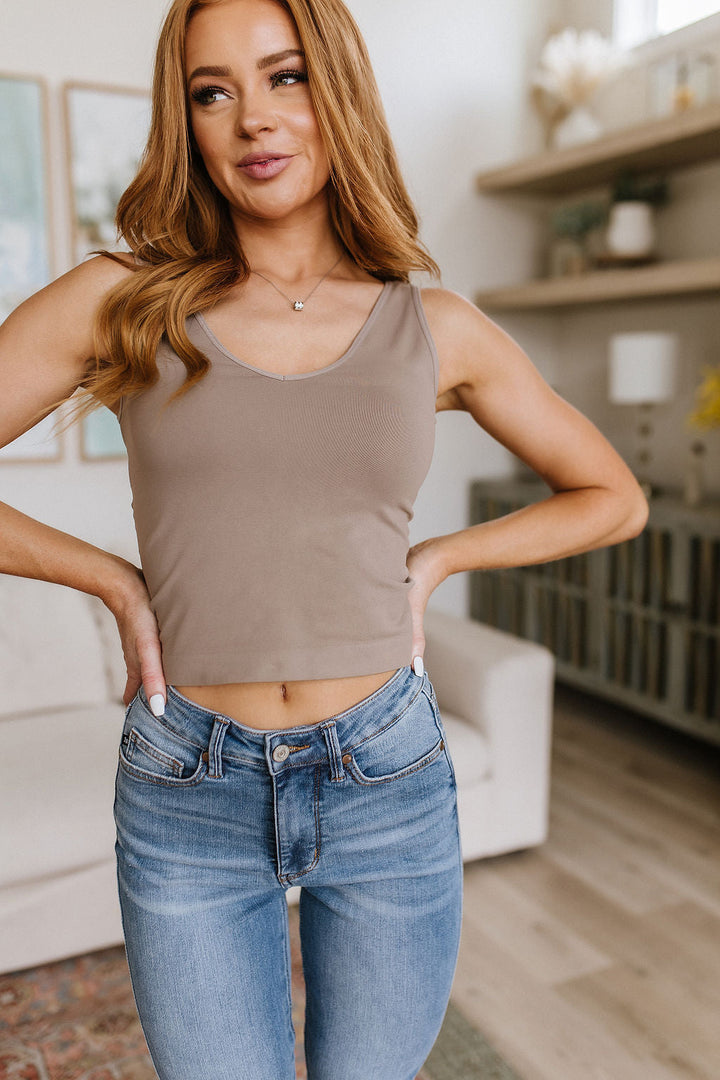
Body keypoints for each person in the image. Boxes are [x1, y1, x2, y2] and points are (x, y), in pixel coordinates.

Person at [0, 0, 648, 1077]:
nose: (252, 117)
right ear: (189, 122)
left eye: (284, 77)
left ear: (335, 89)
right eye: (214, 91)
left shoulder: (434, 327)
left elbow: (613, 496)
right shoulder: (124, 303)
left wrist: (439, 560)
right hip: (186, 781)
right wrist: (111, 583)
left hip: (386, 772)